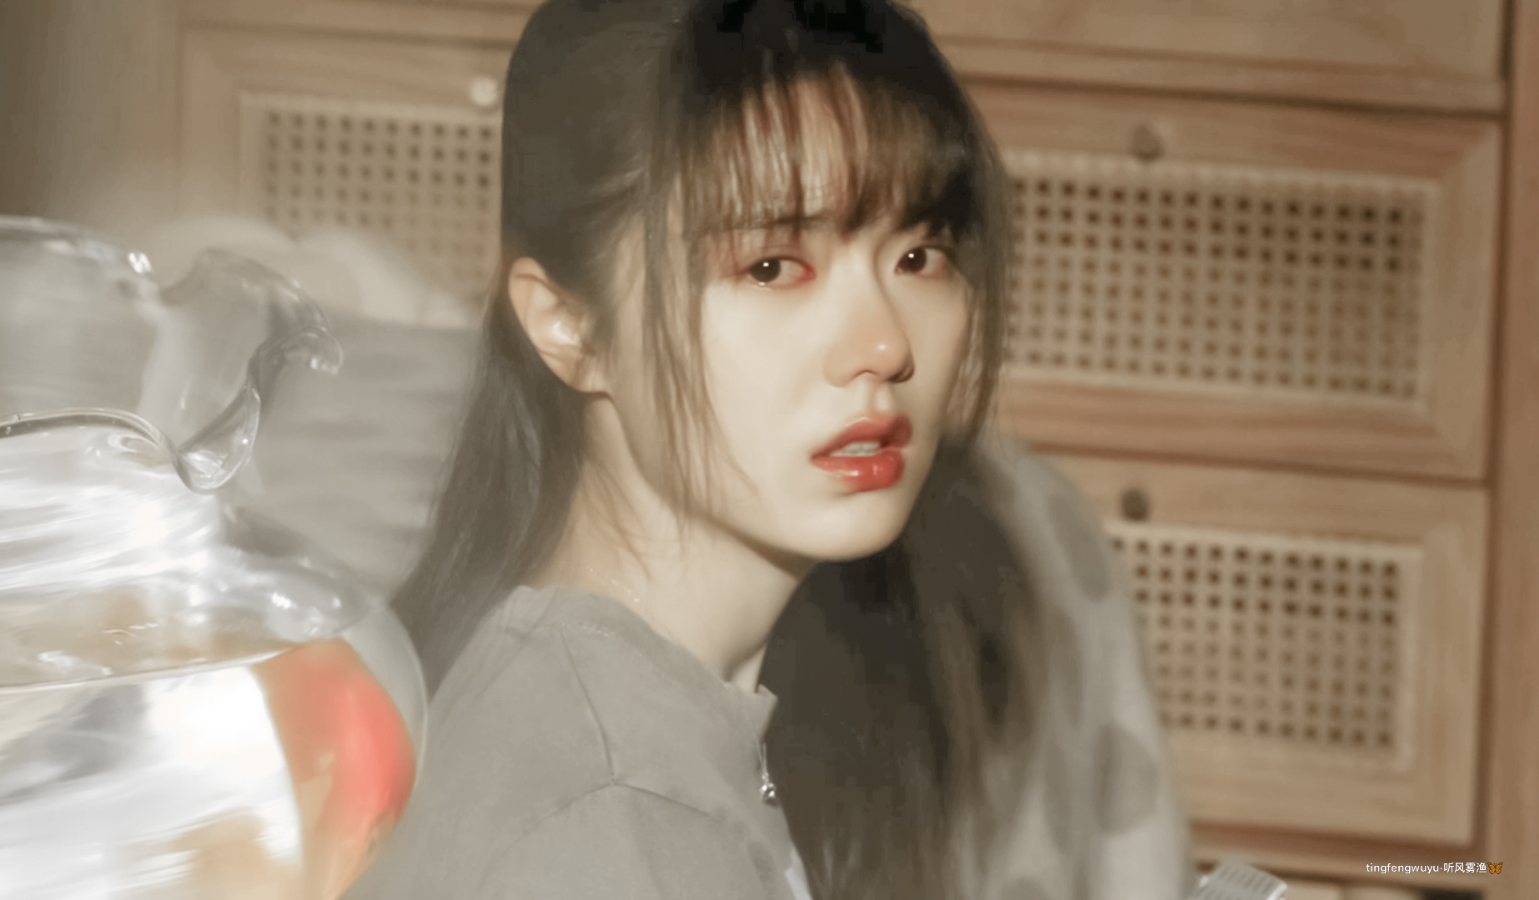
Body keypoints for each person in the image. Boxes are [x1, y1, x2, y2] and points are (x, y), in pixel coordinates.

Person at [348, 0, 1194, 897]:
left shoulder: (627, 723)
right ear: (569, 324)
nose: (885, 346)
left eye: (920, 257)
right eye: (771, 267)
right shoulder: (604, 815)